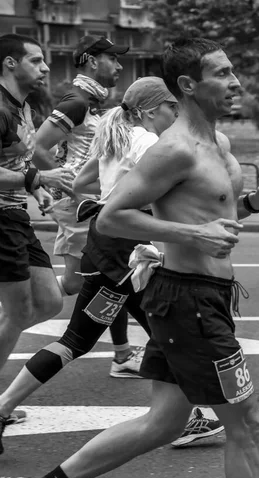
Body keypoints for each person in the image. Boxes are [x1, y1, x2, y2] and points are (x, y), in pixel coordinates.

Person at [0, 37, 259, 478]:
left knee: (165, 421)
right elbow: (111, 217)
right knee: (248, 426)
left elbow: (213, 207)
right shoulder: (174, 148)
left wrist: (255, 203)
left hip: (204, 298)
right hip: (188, 301)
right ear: (187, 86)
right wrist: (190, 233)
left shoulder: (218, 142)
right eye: (223, 74)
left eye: (233, 72)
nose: (236, 83)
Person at [0, 76, 223, 455]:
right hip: (127, 255)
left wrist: (107, 199)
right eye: (172, 107)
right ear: (153, 110)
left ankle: (187, 417)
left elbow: (82, 182)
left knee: (159, 331)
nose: (175, 114)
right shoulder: (149, 143)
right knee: (81, 340)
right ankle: (3, 406)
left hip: (112, 250)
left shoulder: (115, 138)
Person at [32, 35, 142, 379]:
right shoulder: (77, 102)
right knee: (92, 278)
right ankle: (16, 307)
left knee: (107, 274)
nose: (119, 65)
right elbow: (38, 146)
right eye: (112, 58)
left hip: (91, 204)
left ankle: (123, 353)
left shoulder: (93, 102)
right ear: (92, 61)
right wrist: (60, 181)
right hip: (81, 205)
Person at [0, 34, 73, 426]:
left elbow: (19, 165)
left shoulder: (21, 107)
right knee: (18, 311)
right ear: (11, 64)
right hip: (0, 220)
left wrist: (38, 189)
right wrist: (38, 177)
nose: (45, 68)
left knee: (48, 302)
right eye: (36, 60)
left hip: (15, 218)